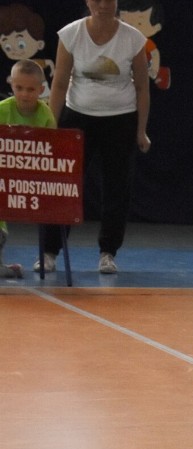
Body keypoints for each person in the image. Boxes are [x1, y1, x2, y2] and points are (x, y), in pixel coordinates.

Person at [35, 0, 150, 276]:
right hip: (78, 117)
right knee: (63, 187)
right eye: (96, 0)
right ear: (88, 2)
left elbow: (143, 88)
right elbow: (60, 82)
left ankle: (108, 253)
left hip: (121, 119)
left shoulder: (133, 38)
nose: (102, 5)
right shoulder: (71, 34)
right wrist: (53, 125)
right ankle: (50, 251)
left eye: (108, 0)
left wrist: (141, 130)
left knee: (116, 189)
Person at [0, 59, 56, 279]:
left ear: (42, 90)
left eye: (31, 89)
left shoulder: (46, 116)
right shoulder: (2, 110)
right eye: (19, 88)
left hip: (32, 180)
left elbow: (54, 155)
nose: (24, 94)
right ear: (11, 85)